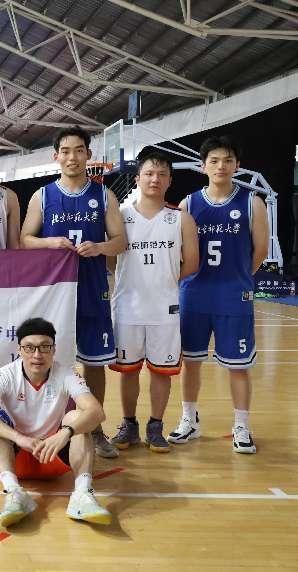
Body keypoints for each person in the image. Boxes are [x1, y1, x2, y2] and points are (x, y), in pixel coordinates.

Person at [20, 126, 127, 458]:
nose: (72, 157)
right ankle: (51, 427)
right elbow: (25, 240)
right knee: (49, 360)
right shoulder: (42, 196)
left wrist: (100, 247)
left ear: (88, 155)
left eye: (79, 150)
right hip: (55, 292)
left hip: (93, 288)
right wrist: (50, 242)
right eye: (65, 151)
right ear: (56, 156)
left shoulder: (104, 196)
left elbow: (121, 242)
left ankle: (93, 429)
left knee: (95, 363)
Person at [171, 136, 268, 454]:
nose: (221, 166)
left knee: (238, 366)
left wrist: (237, 279)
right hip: (194, 294)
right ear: (203, 166)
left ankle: (242, 425)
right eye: (213, 161)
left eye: (227, 160)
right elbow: (180, 251)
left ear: (237, 165)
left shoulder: (252, 203)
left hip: (233, 296)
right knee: (191, 362)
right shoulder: (188, 204)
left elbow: (260, 251)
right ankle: (189, 419)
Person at [0, 317, 113, 527]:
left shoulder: (65, 373)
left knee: (75, 417)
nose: (37, 355)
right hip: (15, 457)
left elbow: (96, 412)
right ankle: (14, 493)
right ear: (20, 350)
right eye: (29, 348)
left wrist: (65, 433)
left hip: (52, 454)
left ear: (54, 349)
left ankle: (82, 495)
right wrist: (19, 438)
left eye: (44, 347)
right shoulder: (5, 374)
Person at [108, 150, 199, 452]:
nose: (154, 179)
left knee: (162, 371)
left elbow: (192, 263)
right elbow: (111, 260)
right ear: (137, 178)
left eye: (161, 174)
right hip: (127, 307)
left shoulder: (181, 218)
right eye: (148, 173)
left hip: (165, 308)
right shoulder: (121, 216)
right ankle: (129, 425)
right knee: (128, 370)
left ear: (170, 180)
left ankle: (155, 427)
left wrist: (164, 281)